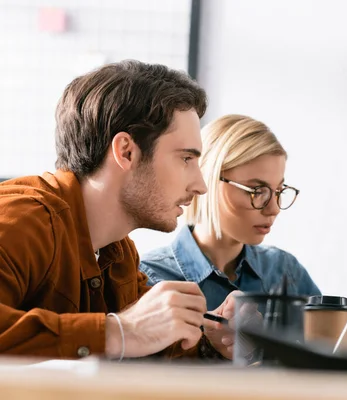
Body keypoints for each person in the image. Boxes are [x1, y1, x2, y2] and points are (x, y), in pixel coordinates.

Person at [140, 115, 347, 335]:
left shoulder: (283, 269)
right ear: (209, 179)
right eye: (256, 191)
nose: (274, 208)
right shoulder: (152, 277)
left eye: (279, 191)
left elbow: (331, 346)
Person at [0, 60, 235, 361]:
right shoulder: (22, 220)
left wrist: (212, 341)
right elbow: (129, 333)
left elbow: (149, 346)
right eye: (186, 159)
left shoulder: (119, 252)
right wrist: (118, 331)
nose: (201, 186)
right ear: (126, 151)